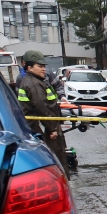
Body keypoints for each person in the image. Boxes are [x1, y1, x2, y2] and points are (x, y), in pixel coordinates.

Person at [17, 50, 70, 179]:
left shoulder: (35, 81)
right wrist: (52, 128)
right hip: (43, 128)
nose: (43, 69)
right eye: (39, 66)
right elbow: (42, 107)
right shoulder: (33, 84)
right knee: (54, 158)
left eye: (44, 66)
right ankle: (58, 184)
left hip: (44, 125)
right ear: (29, 68)